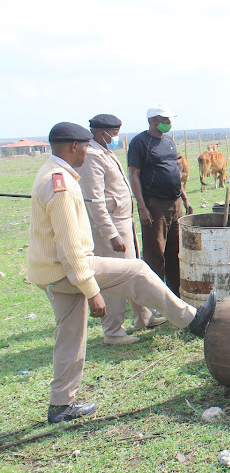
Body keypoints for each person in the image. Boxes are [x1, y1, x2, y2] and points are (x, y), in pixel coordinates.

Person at [27, 122, 216, 424]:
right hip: (68, 268)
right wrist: (92, 292)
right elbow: (69, 248)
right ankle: (191, 320)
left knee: (70, 336)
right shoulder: (60, 184)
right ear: (74, 146)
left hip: (50, 272)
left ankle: (60, 405)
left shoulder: (50, 173)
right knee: (137, 270)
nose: (87, 152)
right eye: (85, 146)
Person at [75, 114, 166, 345]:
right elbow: (95, 201)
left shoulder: (105, 151)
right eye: (114, 133)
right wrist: (111, 234)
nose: (117, 137)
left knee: (132, 271)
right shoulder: (92, 157)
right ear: (101, 132)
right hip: (112, 228)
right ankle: (113, 331)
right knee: (114, 279)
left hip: (123, 222)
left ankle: (143, 317)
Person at [127, 104, 193, 297]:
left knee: (175, 250)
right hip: (154, 204)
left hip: (175, 203)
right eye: (165, 120)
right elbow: (134, 175)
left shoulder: (168, 142)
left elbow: (174, 171)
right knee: (155, 251)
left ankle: (174, 294)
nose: (169, 123)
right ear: (153, 121)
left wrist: (185, 199)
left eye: (169, 120)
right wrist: (142, 207)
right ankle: (155, 297)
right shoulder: (140, 142)